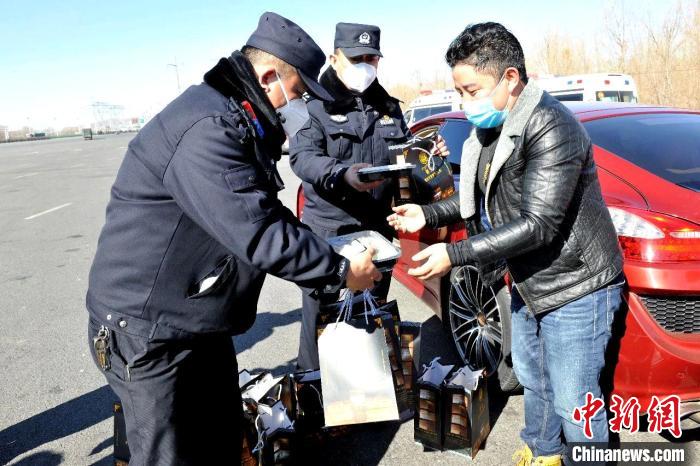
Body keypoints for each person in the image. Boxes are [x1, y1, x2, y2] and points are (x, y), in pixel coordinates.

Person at [86, 12, 381, 465]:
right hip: (147, 333)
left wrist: (331, 251)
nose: (300, 106)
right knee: (169, 457)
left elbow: (265, 211)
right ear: (268, 78)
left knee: (223, 444)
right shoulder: (207, 127)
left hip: (196, 323)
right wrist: (340, 269)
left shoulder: (238, 121)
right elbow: (258, 232)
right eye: (299, 93)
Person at [387, 22, 624, 466]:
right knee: (534, 378)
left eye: (471, 90)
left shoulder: (551, 126)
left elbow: (538, 224)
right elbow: (477, 198)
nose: (463, 103)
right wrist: (427, 214)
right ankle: (543, 451)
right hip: (528, 276)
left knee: (575, 400)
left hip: (575, 284)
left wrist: (454, 254)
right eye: (458, 91)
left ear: (510, 78)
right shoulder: (492, 130)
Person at [289, 22, 411, 371]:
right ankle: (313, 388)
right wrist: (342, 173)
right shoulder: (312, 106)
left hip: (377, 230)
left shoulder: (388, 107)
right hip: (330, 232)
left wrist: (427, 154)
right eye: (356, 58)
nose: (365, 66)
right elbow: (303, 158)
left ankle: (368, 387)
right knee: (322, 319)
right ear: (334, 58)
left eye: (371, 58)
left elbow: (404, 158)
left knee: (371, 314)